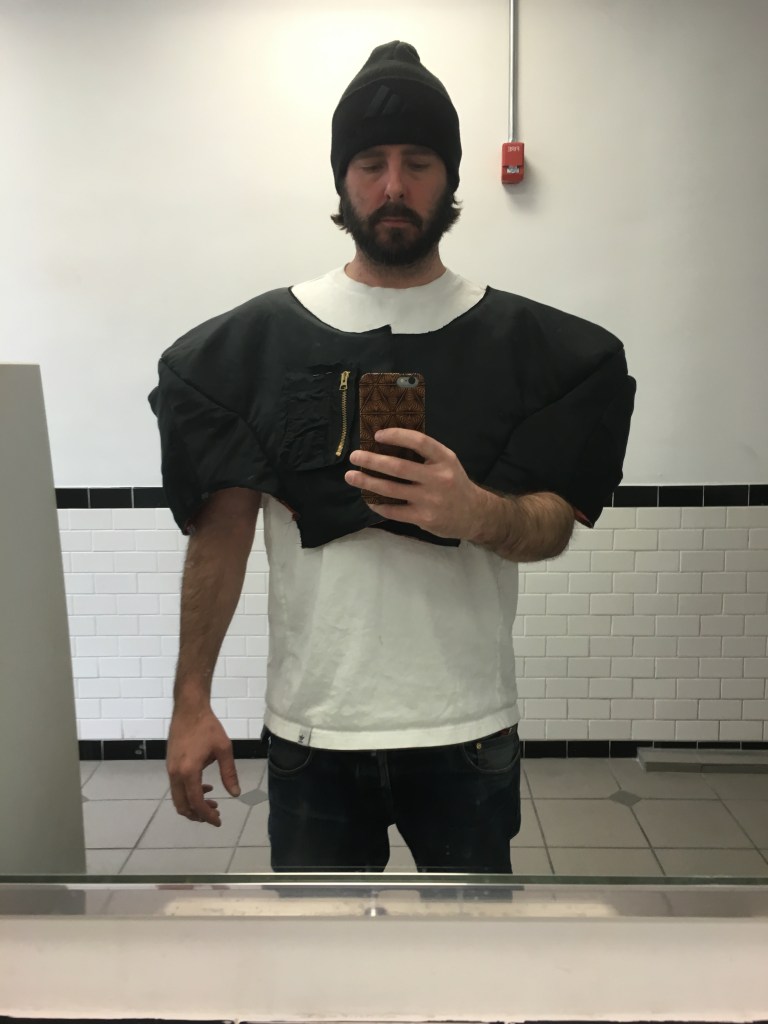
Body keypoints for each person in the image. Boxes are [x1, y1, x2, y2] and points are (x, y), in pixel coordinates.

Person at [149, 41, 635, 874]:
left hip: (466, 728)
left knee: (473, 953)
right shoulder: (252, 351)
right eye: (371, 163)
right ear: (342, 180)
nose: (394, 186)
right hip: (313, 730)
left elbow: (551, 523)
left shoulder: (530, 351)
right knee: (321, 957)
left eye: (419, 162)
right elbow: (220, 536)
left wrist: (475, 512)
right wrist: (191, 700)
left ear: (450, 178)